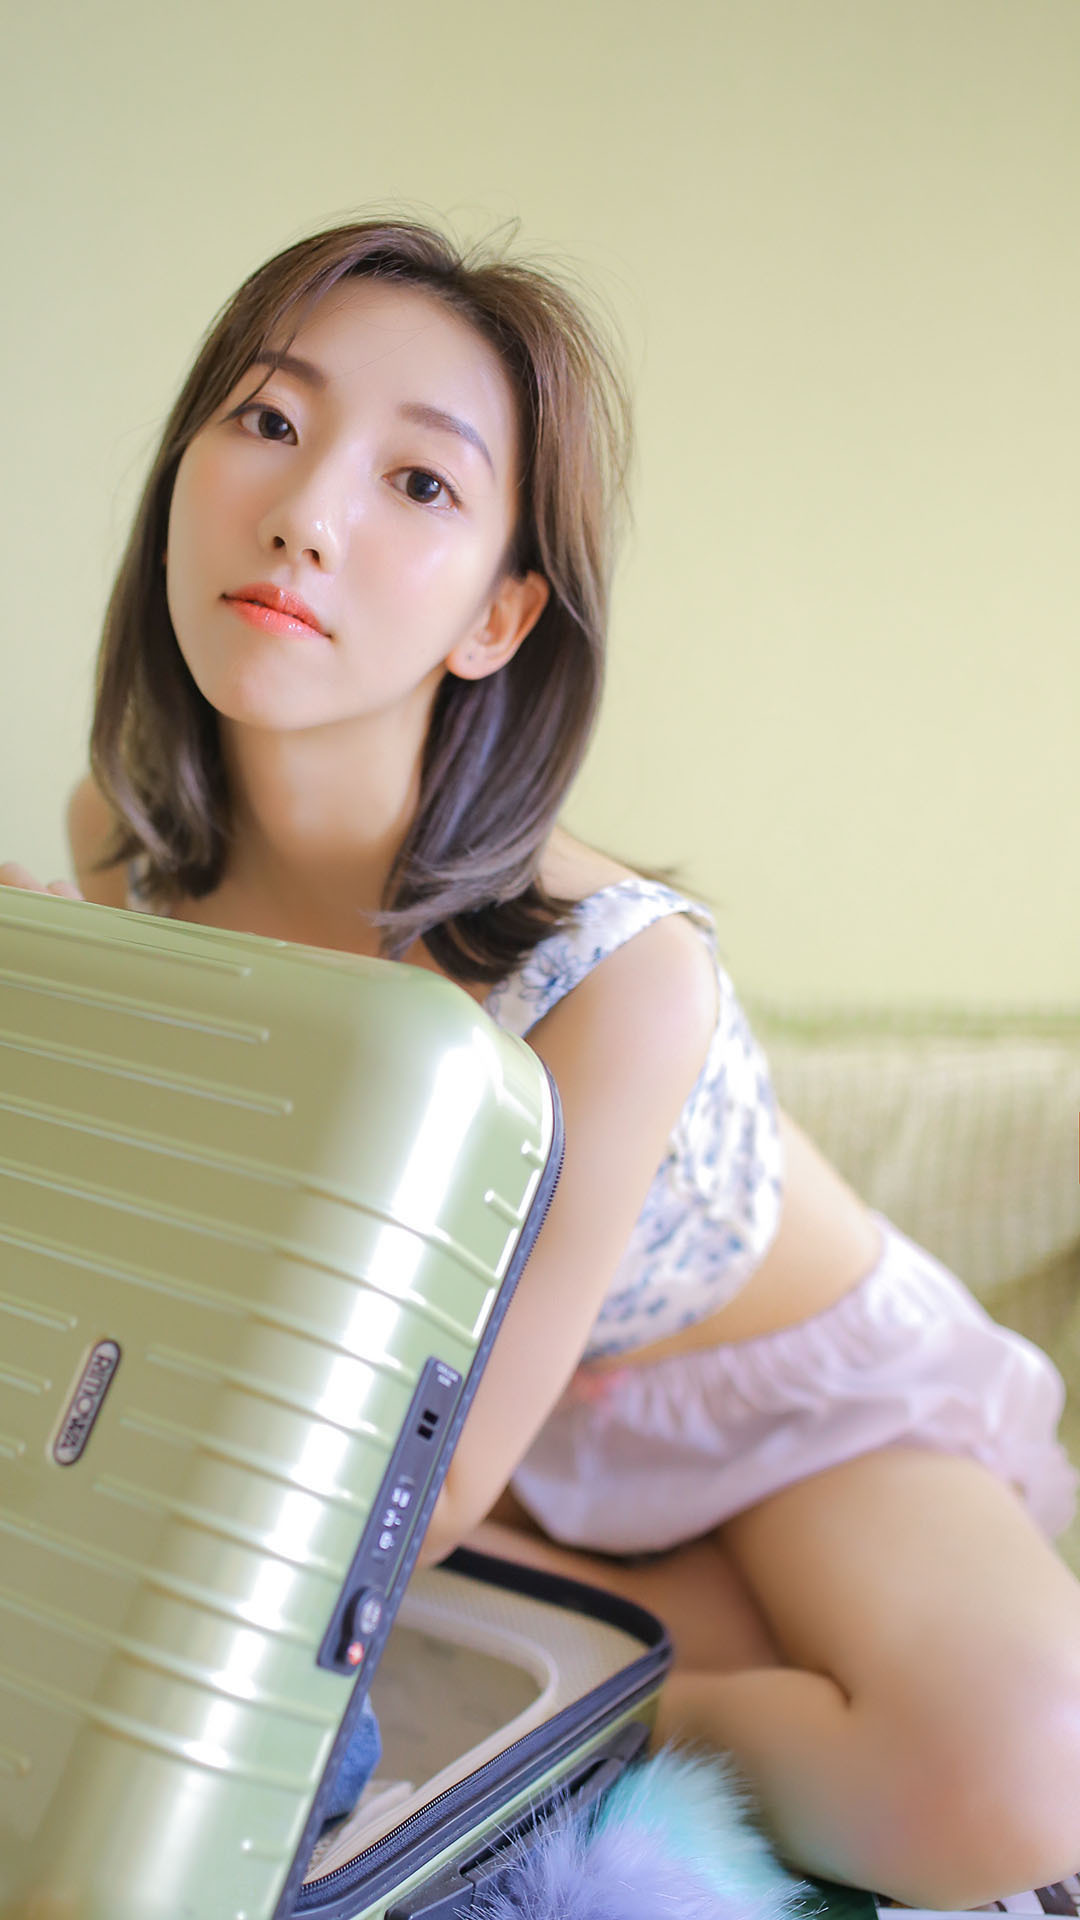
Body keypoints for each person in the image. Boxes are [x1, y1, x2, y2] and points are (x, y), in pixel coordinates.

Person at [4, 217, 1080, 1908]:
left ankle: (598, 1697)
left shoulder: (617, 971)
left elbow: (419, 1494)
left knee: (1022, 1773)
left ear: (501, 614)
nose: (306, 513)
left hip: (764, 1406)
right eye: (269, 420)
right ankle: (638, 1627)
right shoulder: (124, 846)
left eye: (419, 483)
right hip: (449, 1410)